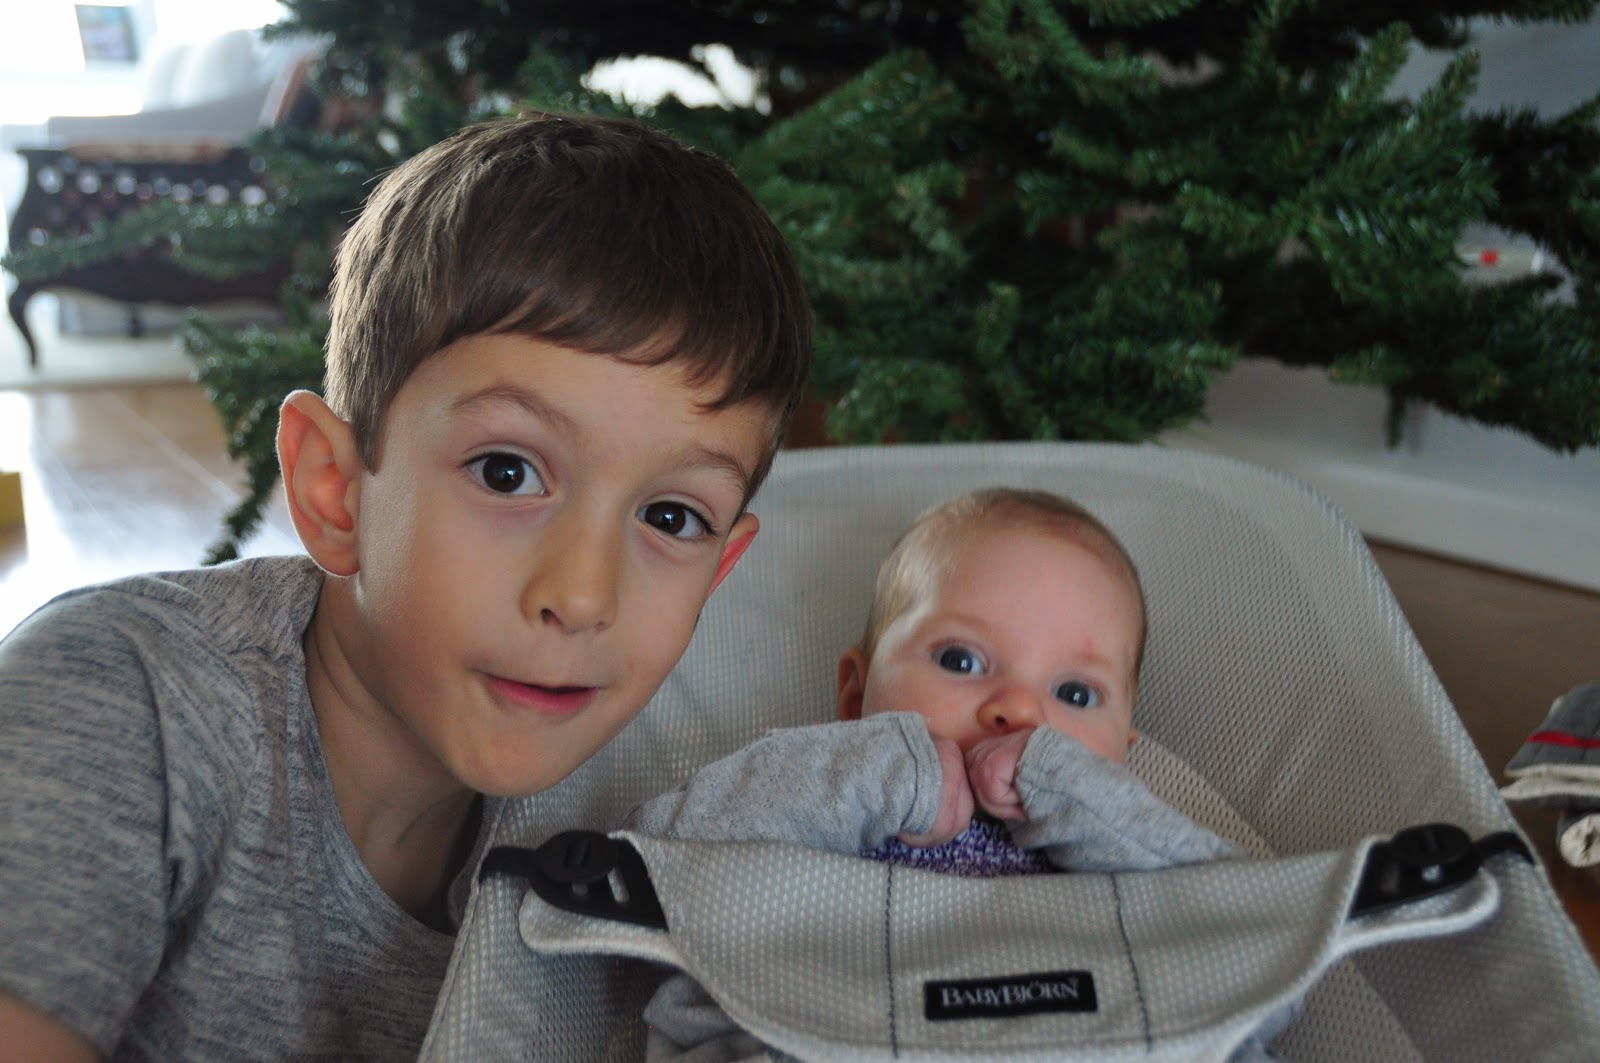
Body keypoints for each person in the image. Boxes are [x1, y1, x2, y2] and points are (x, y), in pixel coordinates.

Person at [0, 112, 811, 1062]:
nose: (585, 596)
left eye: (671, 517)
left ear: (720, 570)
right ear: (335, 490)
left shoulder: (650, 819)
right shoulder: (121, 705)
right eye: (507, 472)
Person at [626, 488, 1283, 1061]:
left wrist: (1077, 792)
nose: (1019, 709)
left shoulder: (1129, 845)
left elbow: (1262, 951)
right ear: (855, 695)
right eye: (961, 660)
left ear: (1123, 747)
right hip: (820, 1032)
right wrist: (885, 772)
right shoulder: (817, 790)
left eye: (1076, 694)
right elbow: (655, 862)